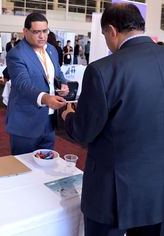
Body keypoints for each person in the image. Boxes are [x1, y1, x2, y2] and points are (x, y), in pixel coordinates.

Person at [62, 3, 164, 236]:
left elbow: (83, 131)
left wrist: (68, 115)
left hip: (113, 190)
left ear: (111, 30)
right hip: (158, 187)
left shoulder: (102, 70)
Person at [6, 12, 69, 155]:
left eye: (45, 31)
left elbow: (57, 73)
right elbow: (22, 84)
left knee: (45, 166)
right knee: (23, 168)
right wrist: (46, 98)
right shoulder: (17, 54)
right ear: (25, 32)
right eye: (37, 32)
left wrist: (63, 84)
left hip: (49, 120)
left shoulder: (51, 50)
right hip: (26, 122)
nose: (42, 36)